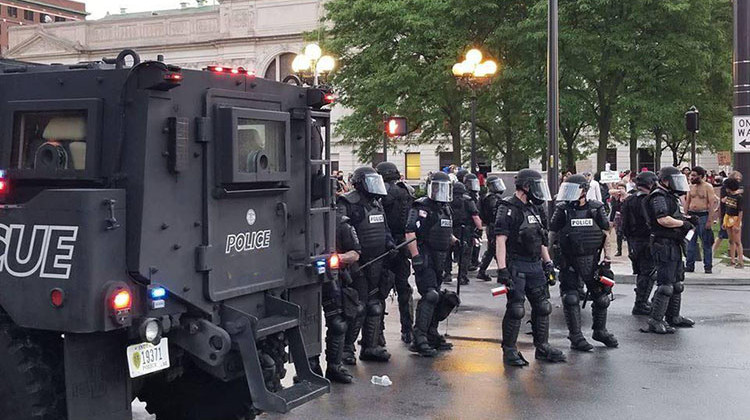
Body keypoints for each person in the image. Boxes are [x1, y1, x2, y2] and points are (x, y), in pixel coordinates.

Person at [495, 169, 565, 366]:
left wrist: (548, 262)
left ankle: (542, 347)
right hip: (516, 263)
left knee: (543, 306)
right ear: (526, 186)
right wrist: (502, 269)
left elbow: (541, 239)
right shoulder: (508, 207)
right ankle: (509, 350)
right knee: (516, 309)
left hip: (535, 264)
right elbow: (500, 240)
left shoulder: (535, 209)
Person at [550, 175, 618, 351]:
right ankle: (576, 336)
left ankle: (600, 331)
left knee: (602, 297)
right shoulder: (562, 209)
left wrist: (607, 259)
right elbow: (552, 234)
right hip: (569, 261)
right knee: (571, 298)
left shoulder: (596, 208)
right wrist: (550, 259)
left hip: (592, 260)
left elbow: (606, 233)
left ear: (585, 191)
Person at [337, 166, 394, 363]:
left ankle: (370, 347)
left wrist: (390, 244)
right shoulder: (347, 203)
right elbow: (341, 230)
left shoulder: (377, 204)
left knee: (375, 306)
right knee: (357, 307)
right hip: (358, 263)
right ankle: (346, 349)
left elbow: (385, 229)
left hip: (378, 261)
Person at [405, 172, 461, 357]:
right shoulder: (421, 206)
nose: (441, 192)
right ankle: (418, 338)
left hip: (440, 257)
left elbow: (444, 230)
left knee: (438, 295)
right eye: (438, 187)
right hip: (425, 254)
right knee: (430, 295)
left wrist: (455, 241)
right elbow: (410, 232)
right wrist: (415, 256)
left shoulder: (445, 208)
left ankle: (431, 333)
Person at [644, 166, 696, 334]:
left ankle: (673, 316)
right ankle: (655, 320)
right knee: (665, 284)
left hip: (673, 242)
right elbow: (663, 219)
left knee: (677, 283)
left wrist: (687, 219)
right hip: (663, 243)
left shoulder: (670, 196)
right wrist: (683, 224)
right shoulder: (658, 196)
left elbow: (673, 216)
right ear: (666, 180)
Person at [376, 162, 416, 343]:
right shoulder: (407, 191)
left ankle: (378, 333)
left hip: (386, 246)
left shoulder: (382, 193)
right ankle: (407, 330)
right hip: (403, 245)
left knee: (380, 290)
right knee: (403, 289)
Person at [319, 215, 361, 383]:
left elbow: (355, 253)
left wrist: (339, 258)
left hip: (332, 277)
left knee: (338, 323)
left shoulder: (341, 223)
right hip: (303, 276)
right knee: (306, 325)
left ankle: (334, 366)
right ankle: (310, 366)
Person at [621, 171, 659, 315]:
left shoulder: (629, 200)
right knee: (648, 273)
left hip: (634, 241)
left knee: (642, 272)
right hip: (647, 240)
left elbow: (624, 225)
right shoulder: (649, 200)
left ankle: (642, 300)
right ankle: (641, 303)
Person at [444, 182, 482, 285]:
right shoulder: (468, 200)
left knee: (448, 252)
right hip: (465, 230)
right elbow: (475, 216)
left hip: (450, 229)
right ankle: (462, 277)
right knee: (465, 254)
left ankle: (447, 274)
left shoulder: (447, 200)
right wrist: (479, 230)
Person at [685, 166, 716, 274]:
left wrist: (710, 220)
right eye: (691, 175)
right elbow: (687, 202)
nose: (691, 177)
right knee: (690, 242)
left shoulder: (708, 187)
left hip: (703, 216)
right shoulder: (690, 187)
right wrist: (685, 216)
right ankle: (689, 265)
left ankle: (708, 266)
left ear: (700, 176)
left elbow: (712, 204)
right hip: (691, 216)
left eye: (694, 175)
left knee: (706, 243)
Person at [477, 176, 507, 281]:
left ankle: (483, 271)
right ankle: (500, 272)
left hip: (491, 226)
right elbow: (496, 211)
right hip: (494, 226)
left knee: (492, 250)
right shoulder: (492, 198)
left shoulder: (489, 197)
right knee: (496, 249)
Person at [714, 171, 744, 258]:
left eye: (739, 178)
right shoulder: (725, 188)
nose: (738, 180)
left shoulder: (738, 194)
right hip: (726, 213)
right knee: (722, 235)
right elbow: (722, 200)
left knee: (735, 239)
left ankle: (735, 257)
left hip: (735, 215)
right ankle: (713, 251)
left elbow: (740, 209)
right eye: (736, 178)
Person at [723, 177, 744, 268]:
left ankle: (740, 261)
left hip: (735, 218)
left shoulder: (739, 197)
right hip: (727, 217)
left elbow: (740, 211)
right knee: (731, 240)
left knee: (737, 241)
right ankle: (732, 260)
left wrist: (737, 224)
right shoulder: (728, 196)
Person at [464, 173, 483, 270]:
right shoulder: (468, 198)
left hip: (469, 225)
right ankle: (469, 263)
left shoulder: (473, 196)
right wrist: (479, 228)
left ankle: (473, 261)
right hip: (468, 225)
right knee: (469, 246)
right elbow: (475, 214)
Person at [609, 183, 627, 256]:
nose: (620, 190)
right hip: (618, 217)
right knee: (619, 234)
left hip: (627, 216)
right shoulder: (615, 198)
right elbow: (613, 209)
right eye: (619, 188)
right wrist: (611, 220)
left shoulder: (628, 197)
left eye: (622, 188)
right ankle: (619, 250)